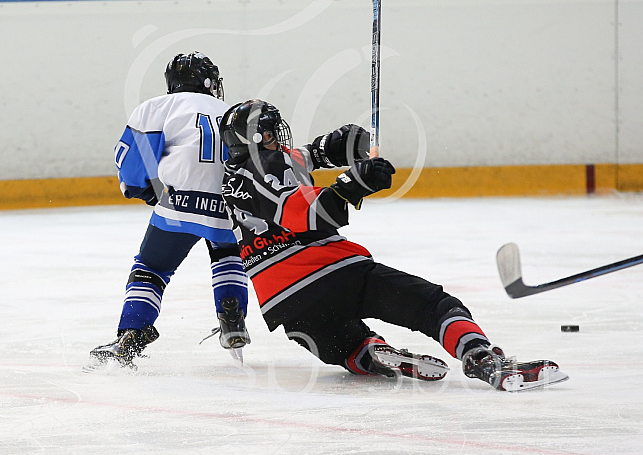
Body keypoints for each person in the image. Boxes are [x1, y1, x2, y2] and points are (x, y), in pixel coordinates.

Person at [218, 99, 569, 391]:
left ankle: (368, 352)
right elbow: (301, 213)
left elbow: (304, 158)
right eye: (273, 134)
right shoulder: (269, 163)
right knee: (436, 306)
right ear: (261, 137)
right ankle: (482, 358)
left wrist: (333, 146)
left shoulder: (232, 181)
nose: (280, 141)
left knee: (344, 344)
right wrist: (350, 187)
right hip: (331, 272)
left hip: (286, 306)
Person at [87, 52, 250, 370]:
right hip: (231, 201)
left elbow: (135, 168)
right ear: (208, 82)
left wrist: (147, 192)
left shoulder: (154, 107)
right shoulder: (232, 111)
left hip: (180, 202)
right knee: (227, 255)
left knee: (151, 268)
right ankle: (233, 317)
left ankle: (131, 334)